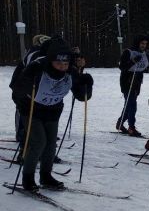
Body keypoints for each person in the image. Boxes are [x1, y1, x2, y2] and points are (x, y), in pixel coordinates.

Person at [11, 38, 93, 191]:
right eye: (58, 63)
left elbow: (82, 97)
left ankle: (45, 175)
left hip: (53, 111)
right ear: (51, 60)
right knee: (38, 142)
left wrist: (87, 84)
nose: (62, 67)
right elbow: (17, 90)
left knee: (50, 144)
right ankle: (28, 178)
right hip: (31, 109)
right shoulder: (38, 66)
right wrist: (27, 85)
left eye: (66, 64)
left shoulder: (70, 71)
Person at [9, 35, 52, 142]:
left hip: (32, 87)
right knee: (23, 110)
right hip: (22, 87)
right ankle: (21, 134)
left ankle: (38, 135)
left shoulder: (44, 53)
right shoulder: (34, 53)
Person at [117, 34, 149, 136]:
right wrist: (133, 61)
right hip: (127, 81)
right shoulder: (128, 52)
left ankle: (120, 123)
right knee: (132, 104)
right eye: (142, 43)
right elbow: (122, 67)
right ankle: (131, 127)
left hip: (137, 82)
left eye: (145, 44)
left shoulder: (145, 53)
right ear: (137, 43)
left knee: (129, 104)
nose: (143, 45)